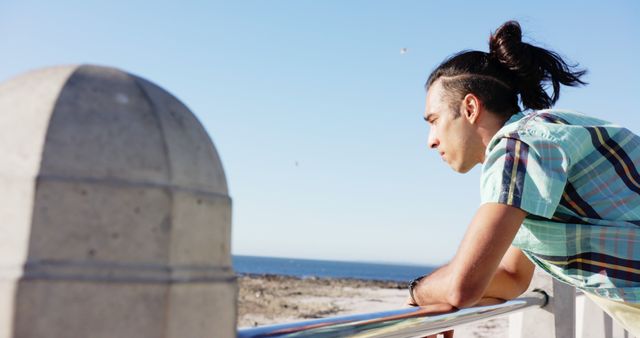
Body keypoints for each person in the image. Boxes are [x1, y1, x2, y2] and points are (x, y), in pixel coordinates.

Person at [409, 20, 640, 335]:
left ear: (470, 108)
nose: (430, 140)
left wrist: (417, 293)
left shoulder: (517, 146)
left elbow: (464, 286)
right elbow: (512, 276)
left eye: (434, 121)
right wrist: (443, 304)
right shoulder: (541, 140)